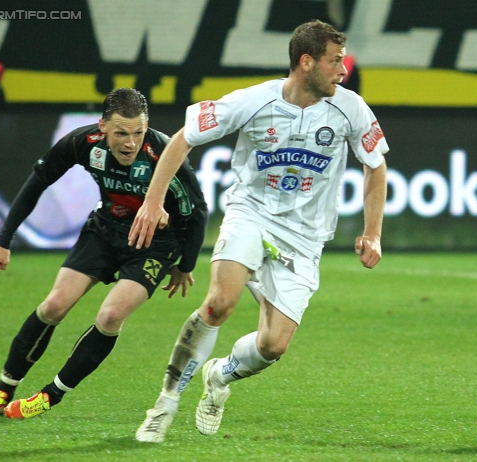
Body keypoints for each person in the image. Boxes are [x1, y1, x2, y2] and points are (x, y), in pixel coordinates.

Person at [130, 20, 389, 443]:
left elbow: (375, 165)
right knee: (219, 304)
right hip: (252, 213)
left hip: (305, 237)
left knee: (274, 346)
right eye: (335, 61)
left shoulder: (351, 108)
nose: (343, 70)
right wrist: (153, 201)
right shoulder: (253, 101)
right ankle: (164, 404)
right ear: (306, 63)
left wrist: (372, 232)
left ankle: (219, 376)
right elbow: (182, 139)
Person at [0, 88, 208, 420]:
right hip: (104, 231)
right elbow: (39, 180)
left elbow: (196, 210)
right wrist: (3, 240)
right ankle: (3, 388)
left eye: (138, 132)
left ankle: (49, 396)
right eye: (121, 133)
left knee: (110, 317)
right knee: (53, 305)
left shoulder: (163, 152)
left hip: (154, 246)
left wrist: (186, 264)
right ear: (103, 126)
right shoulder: (84, 142)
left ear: (147, 125)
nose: (130, 142)